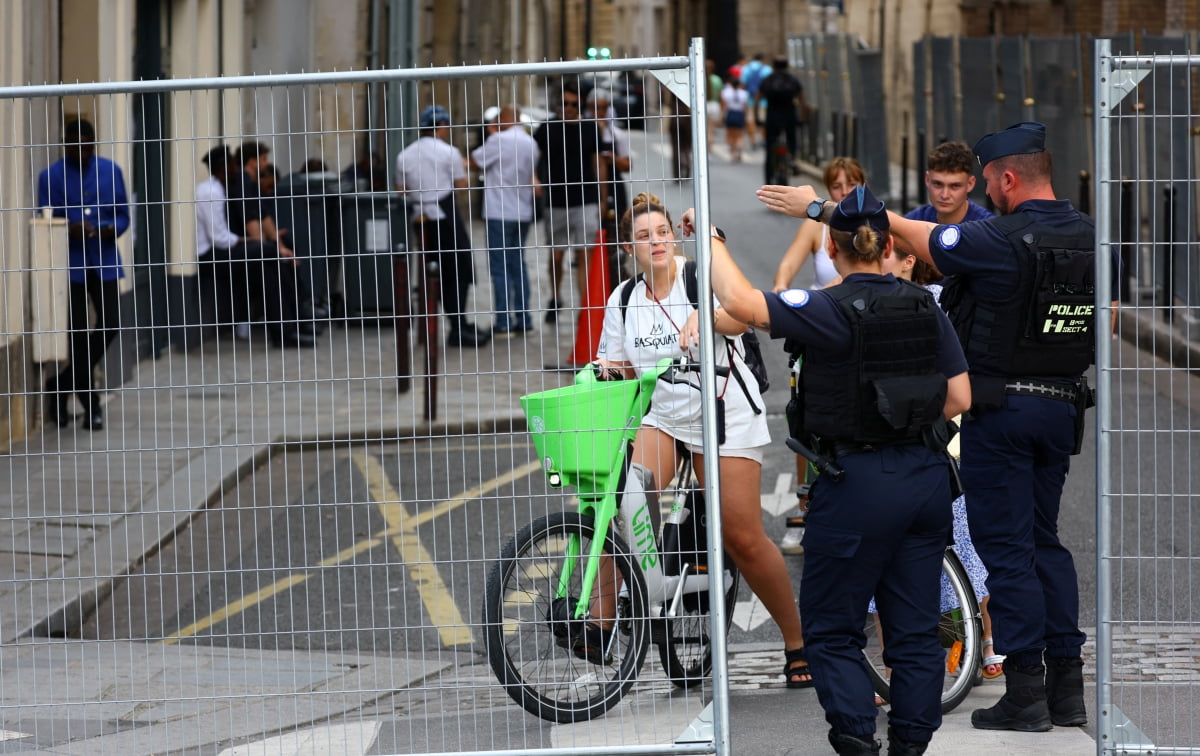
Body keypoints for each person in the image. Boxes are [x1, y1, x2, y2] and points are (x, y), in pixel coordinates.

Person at [757, 121, 1098, 734]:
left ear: (1008, 178)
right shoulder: (1089, 235)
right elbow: (1108, 316)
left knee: (1009, 551)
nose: (987, 193)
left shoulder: (1000, 237)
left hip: (1003, 411)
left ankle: (1026, 689)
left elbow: (905, 232)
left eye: (988, 182)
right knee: (1048, 543)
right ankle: (1068, 687)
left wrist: (822, 207)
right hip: (1063, 407)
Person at [702, 184, 970, 755]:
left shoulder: (829, 307)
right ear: (888, 245)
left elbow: (744, 303)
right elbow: (959, 396)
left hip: (856, 486)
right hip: (924, 481)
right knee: (917, 632)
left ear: (831, 245)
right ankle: (910, 745)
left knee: (830, 628)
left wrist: (710, 238)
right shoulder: (925, 304)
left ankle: (855, 738)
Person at [592, 192, 812, 688]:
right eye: (644, 236)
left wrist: (705, 317)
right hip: (667, 418)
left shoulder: (699, 275)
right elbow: (620, 365)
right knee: (619, 498)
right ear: (630, 246)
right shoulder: (624, 298)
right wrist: (603, 370)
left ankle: (798, 643)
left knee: (742, 537)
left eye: (663, 232)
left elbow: (745, 313)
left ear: (674, 234)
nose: (656, 242)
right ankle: (598, 626)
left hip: (725, 412)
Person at [879, 244, 1004, 684]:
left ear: (908, 261)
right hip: (892, 437)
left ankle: (977, 640)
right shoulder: (865, 299)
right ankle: (915, 656)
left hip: (939, 436)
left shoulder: (934, 302)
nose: (876, 265)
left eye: (885, 256)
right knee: (897, 556)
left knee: (959, 543)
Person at [37, 117, 130, 431]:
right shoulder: (50, 176)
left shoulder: (110, 171)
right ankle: (92, 406)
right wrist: (68, 228)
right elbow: (45, 219)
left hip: (103, 259)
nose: (80, 151)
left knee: (111, 324)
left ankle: (62, 384)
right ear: (65, 145)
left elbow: (123, 216)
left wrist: (107, 230)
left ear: (93, 143)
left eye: (86, 145)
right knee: (78, 335)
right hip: (71, 264)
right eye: (73, 146)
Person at [195, 145, 313, 349]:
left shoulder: (220, 187)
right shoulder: (211, 191)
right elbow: (219, 238)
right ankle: (291, 324)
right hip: (212, 255)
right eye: (232, 165)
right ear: (223, 167)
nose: (236, 169)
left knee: (268, 260)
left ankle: (288, 327)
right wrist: (250, 242)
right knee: (268, 252)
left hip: (224, 249)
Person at [395, 105, 491, 348]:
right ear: (442, 126)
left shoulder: (405, 154)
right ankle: (457, 325)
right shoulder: (449, 152)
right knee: (458, 269)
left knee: (430, 271)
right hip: (444, 215)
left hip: (420, 217)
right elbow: (460, 184)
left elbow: (401, 189)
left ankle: (446, 326)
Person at [227, 141, 319, 345]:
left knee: (286, 246)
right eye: (263, 159)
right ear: (252, 161)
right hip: (238, 245)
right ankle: (283, 332)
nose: (265, 163)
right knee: (272, 259)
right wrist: (272, 249)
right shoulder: (242, 182)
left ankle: (299, 318)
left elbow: (265, 216)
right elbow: (250, 221)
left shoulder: (252, 182)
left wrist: (280, 245)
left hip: (250, 243)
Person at [533, 84, 608, 323]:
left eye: (573, 104)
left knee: (584, 254)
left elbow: (599, 163)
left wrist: (602, 199)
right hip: (554, 201)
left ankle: (584, 308)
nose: (568, 108)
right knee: (556, 256)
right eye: (564, 103)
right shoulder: (546, 128)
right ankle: (555, 297)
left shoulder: (589, 128)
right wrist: (534, 179)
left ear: (580, 106)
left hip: (584, 200)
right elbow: (534, 157)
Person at [470, 104, 539, 337]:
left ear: (503, 119)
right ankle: (525, 319)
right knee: (518, 264)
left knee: (499, 267)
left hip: (499, 211)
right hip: (523, 211)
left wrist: (491, 134)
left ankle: (503, 321)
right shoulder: (531, 143)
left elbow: (475, 161)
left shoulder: (498, 140)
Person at [772, 157, 865, 292]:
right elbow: (789, 264)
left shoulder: (880, 222)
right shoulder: (815, 226)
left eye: (852, 185)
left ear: (863, 186)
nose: (845, 192)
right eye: (836, 187)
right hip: (823, 306)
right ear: (828, 189)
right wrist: (781, 285)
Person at [907, 141, 993, 226]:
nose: (945, 195)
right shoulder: (913, 221)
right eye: (937, 184)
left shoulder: (988, 229)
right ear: (927, 179)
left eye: (955, 186)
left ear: (970, 184)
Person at [758, 55, 806, 183]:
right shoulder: (793, 79)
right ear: (787, 65)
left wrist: (758, 118)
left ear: (773, 66)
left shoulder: (767, 79)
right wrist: (803, 118)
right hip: (789, 116)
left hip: (772, 118)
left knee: (769, 149)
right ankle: (793, 160)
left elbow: (758, 99)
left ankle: (768, 178)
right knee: (792, 140)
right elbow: (802, 100)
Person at [740, 52, 770, 148]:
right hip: (763, 100)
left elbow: (743, 84)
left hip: (750, 100)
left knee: (750, 120)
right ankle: (763, 139)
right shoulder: (767, 69)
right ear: (762, 59)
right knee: (764, 121)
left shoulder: (746, 69)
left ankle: (753, 141)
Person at [720, 75, 749, 162]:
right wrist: (745, 117)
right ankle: (739, 149)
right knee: (739, 135)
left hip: (731, 113)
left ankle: (732, 154)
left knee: (730, 135)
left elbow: (725, 106)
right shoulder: (744, 93)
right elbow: (745, 107)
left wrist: (723, 117)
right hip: (739, 114)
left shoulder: (726, 92)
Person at [705, 59, 723, 145]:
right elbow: (720, 96)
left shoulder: (699, 78)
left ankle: (705, 144)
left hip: (703, 105)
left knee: (703, 127)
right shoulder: (717, 79)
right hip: (714, 105)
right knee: (711, 129)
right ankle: (710, 144)